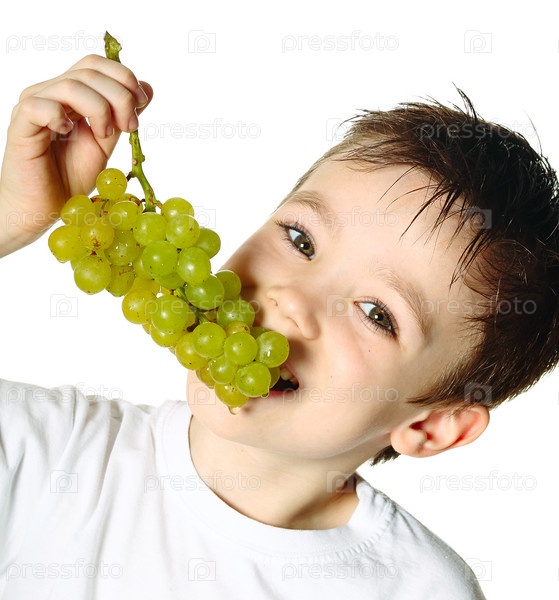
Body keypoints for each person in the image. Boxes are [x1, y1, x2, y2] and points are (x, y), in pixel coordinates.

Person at [0, 54, 557, 599]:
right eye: (301, 240)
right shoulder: (54, 452)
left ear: (433, 425)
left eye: (377, 314)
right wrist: (11, 215)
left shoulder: (421, 588)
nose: (293, 298)